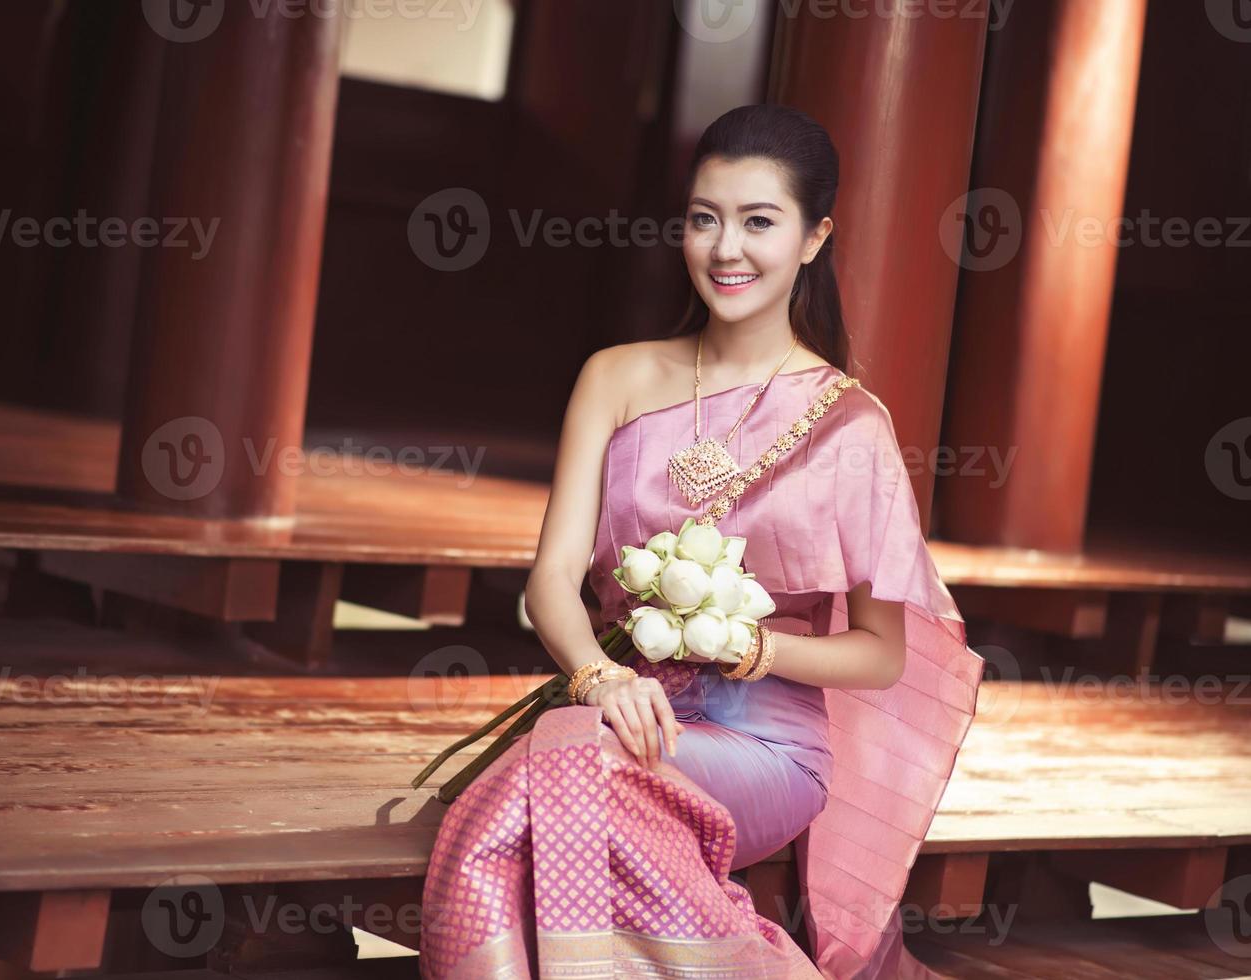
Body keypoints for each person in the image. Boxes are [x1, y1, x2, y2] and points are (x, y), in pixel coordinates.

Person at [419, 103, 985, 979]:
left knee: (564, 785)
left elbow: (879, 655)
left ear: (812, 238)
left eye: (760, 222)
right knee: (528, 798)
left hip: (766, 749)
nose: (727, 249)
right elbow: (553, 579)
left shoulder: (852, 426)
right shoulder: (616, 376)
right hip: (616, 710)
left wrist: (749, 646)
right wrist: (599, 674)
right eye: (704, 219)